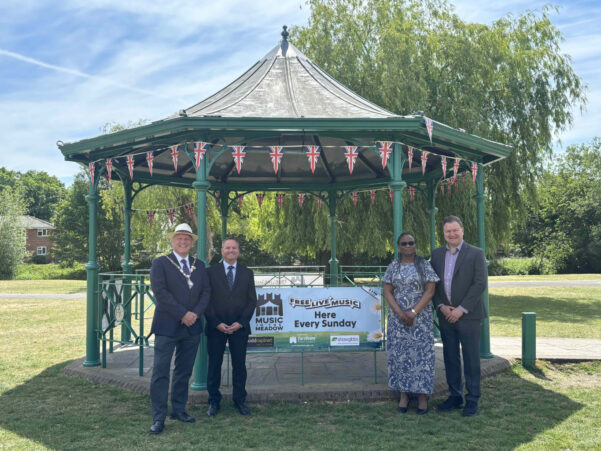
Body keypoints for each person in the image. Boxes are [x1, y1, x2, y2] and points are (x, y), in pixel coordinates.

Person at [148, 223, 211, 435]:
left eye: (187, 239)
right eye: (179, 238)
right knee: (160, 372)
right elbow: (161, 292)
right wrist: (183, 314)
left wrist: (194, 315)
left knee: (184, 371)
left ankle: (178, 409)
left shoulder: (199, 265)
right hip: (167, 326)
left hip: (191, 328)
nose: (183, 242)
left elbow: (206, 293)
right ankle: (158, 417)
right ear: (172, 241)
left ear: (192, 243)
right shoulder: (160, 263)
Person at [430, 215, 487, 417]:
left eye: (455, 230)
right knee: (450, 357)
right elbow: (433, 285)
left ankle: (472, 399)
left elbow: (480, 283)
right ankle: (455, 396)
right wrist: (441, 306)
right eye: (448, 231)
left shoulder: (476, 253)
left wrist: (461, 309)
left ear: (462, 230)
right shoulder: (436, 255)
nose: (452, 234)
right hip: (446, 315)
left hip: (468, 316)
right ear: (443, 234)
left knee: (471, 358)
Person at [382, 232, 439, 415]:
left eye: (411, 243)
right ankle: (404, 395)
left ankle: (422, 396)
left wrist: (413, 312)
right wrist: (401, 313)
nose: (408, 246)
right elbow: (388, 291)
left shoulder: (425, 266)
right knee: (400, 356)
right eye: (404, 243)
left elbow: (430, 291)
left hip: (420, 320)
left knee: (422, 356)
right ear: (398, 247)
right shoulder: (393, 267)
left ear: (416, 245)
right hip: (398, 321)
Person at [205, 238, 257, 417]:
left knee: (239, 366)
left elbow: (252, 301)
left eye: (234, 248)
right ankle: (213, 401)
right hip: (216, 327)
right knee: (214, 365)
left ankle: (240, 400)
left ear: (239, 251)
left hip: (239, 328)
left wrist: (241, 323)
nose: (231, 250)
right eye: (228, 248)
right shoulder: (210, 272)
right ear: (222, 251)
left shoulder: (247, 273)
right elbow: (207, 300)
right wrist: (216, 323)